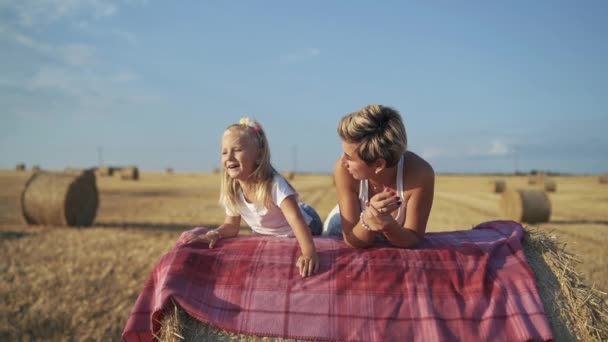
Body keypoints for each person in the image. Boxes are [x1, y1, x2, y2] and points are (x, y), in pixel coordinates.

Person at [182, 117, 323, 277]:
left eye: (237, 150)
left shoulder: (274, 184)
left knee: (301, 211)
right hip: (272, 230)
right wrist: (214, 234)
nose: (229, 157)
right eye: (224, 152)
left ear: (258, 155)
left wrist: (309, 253)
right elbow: (231, 226)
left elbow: (296, 220)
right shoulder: (233, 189)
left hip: (307, 222)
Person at [323, 104, 435, 249]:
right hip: (342, 227)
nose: (342, 161)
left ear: (378, 165)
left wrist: (387, 225)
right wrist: (367, 220)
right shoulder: (343, 169)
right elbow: (352, 239)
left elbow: (413, 238)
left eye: (349, 157)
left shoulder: (420, 174)